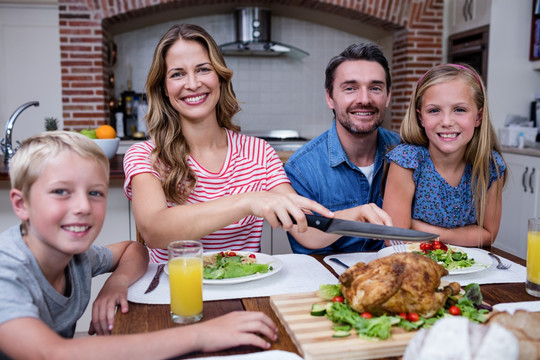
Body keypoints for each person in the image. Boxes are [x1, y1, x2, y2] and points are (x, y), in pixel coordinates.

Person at [0, 131, 278, 359]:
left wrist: (117, 283)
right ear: (21, 204)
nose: (83, 206)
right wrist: (201, 335)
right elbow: (49, 353)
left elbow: (133, 249)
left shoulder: (77, 257)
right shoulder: (6, 269)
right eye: (61, 192)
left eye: (95, 192)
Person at [124, 23, 372, 263]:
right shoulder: (146, 155)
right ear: (164, 88)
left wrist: (354, 216)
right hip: (176, 296)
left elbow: (304, 229)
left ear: (219, 77)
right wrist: (248, 201)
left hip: (247, 292)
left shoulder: (259, 153)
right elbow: (154, 232)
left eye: (203, 69)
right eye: (178, 74)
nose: (192, 83)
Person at [284, 43, 399, 254]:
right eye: (350, 88)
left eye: (375, 88)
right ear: (330, 98)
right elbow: (307, 235)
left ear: (387, 96)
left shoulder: (405, 154)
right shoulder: (302, 168)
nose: (364, 99)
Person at [383, 64, 507, 247]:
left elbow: (487, 235)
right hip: (413, 266)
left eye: (460, 110)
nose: (447, 122)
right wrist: (465, 235)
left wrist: (427, 231)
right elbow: (395, 238)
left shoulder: (489, 165)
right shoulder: (407, 161)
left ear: (478, 117)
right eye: (434, 110)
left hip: (470, 268)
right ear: (421, 118)